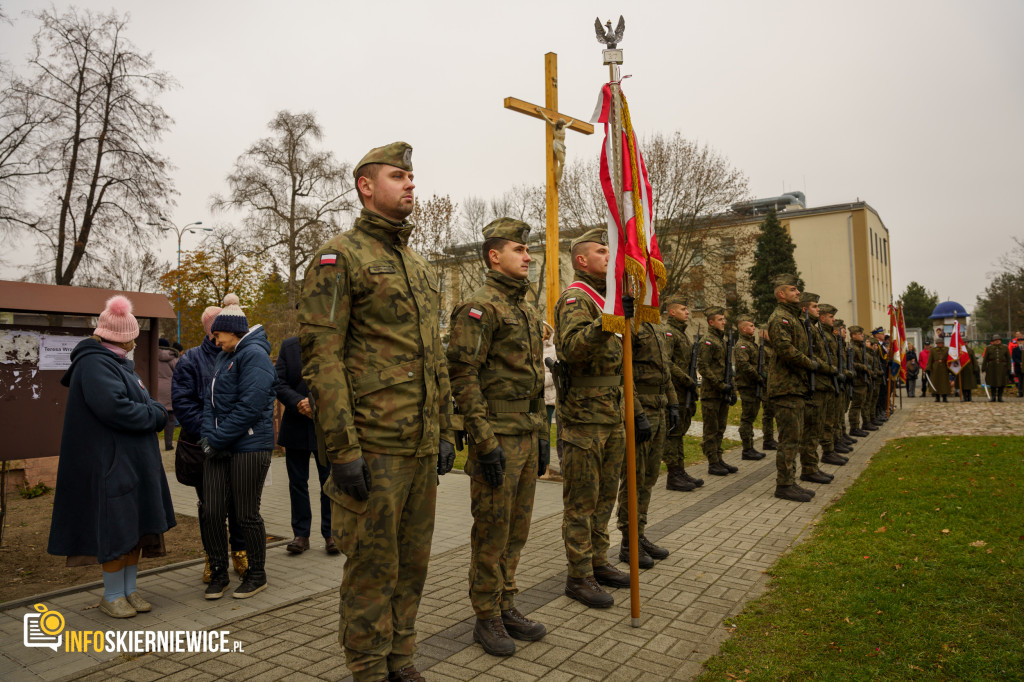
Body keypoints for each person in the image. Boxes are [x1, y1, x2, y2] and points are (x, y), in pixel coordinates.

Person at [298, 142, 456, 682]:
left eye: (413, 175)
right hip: (373, 448)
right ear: (366, 185)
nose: (411, 184)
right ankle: (367, 668)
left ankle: (402, 660)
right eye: (398, 175)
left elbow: (433, 355)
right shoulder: (339, 256)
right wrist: (342, 451)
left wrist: (443, 428)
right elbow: (323, 360)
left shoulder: (417, 264)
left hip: (417, 448)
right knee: (370, 570)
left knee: (412, 566)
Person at [446, 217, 547, 656]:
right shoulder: (478, 307)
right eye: (519, 251)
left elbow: (535, 377)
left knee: (517, 530)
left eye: (527, 251)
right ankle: (485, 616)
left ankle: (507, 602)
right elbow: (462, 375)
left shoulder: (525, 308)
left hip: (526, 432)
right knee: (491, 531)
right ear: (494, 255)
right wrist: (483, 442)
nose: (527, 257)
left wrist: (542, 433)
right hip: (498, 438)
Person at [48, 295, 175, 619]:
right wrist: (157, 414)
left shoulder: (116, 364)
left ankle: (130, 591)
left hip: (129, 464)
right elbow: (116, 409)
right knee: (117, 529)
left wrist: (152, 408)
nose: (136, 341)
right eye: (133, 335)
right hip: (111, 466)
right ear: (124, 337)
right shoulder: (94, 364)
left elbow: (140, 401)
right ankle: (113, 594)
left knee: (134, 528)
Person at [555, 227, 637, 610]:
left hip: (610, 414)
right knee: (581, 502)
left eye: (611, 250)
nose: (610, 256)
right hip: (583, 419)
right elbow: (572, 349)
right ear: (582, 260)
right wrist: (608, 320)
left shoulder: (605, 300)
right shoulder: (576, 299)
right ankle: (579, 575)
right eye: (603, 251)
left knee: (606, 496)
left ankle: (599, 561)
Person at [200, 296, 277, 599]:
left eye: (217, 335)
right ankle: (218, 573)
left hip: (250, 446)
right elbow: (211, 402)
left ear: (232, 331)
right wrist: (209, 435)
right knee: (211, 512)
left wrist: (216, 439)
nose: (214, 341)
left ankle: (257, 575)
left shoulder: (254, 355)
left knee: (246, 514)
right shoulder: (226, 355)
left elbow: (250, 406)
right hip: (221, 446)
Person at [172, 302, 248, 582]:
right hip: (205, 450)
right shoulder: (190, 359)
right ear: (212, 331)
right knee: (210, 507)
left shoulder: (243, 355)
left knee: (240, 504)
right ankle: (213, 558)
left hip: (239, 445)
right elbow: (183, 403)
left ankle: (240, 553)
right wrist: (212, 436)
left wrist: (232, 433)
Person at [616, 313, 678, 569]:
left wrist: (673, 402)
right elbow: (622, 369)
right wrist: (636, 410)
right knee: (634, 477)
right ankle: (628, 542)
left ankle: (639, 534)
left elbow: (665, 369)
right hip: (641, 408)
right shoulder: (629, 322)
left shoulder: (655, 324)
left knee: (650, 476)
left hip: (659, 406)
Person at [276, 335, 337, 556]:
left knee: (329, 482)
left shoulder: (333, 343)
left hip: (326, 425)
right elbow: (279, 383)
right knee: (297, 483)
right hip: (296, 424)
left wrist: (317, 403)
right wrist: (298, 402)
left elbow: (341, 381)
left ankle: (331, 534)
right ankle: (301, 535)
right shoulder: (289, 345)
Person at [765, 275, 818, 503]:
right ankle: (784, 485)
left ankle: (790, 480)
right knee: (789, 439)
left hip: (795, 386)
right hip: (785, 387)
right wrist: (811, 364)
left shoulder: (792, 318)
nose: (798, 293)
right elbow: (786, 350)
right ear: (781, 294)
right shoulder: (780, 319)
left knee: (794, 438)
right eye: (793, 290)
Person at [662, 296, 704, 490]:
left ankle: (680, 470)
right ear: (672, 312)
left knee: (679, 433)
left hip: (684, 390)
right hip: (675, 391)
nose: (687, 312)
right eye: (683, 309)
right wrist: (686, 379)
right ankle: (673, 475)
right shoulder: (669, 333)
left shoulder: (681, 334)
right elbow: (667, 362)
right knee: (673, 432)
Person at [796, 293, 838, 487]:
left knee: (817, 427)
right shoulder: (806, 328)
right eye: (814, 306)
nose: (818, 309)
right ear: (805, 309)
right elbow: (809, 356)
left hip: (823, 383)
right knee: (811, 430)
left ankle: (812, 466)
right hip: (816, 384)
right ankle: (809, 469)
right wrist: (829, 369)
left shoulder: (814, 328)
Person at [698, 306, 738, 477]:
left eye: (724, 319)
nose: (724, 322)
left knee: (720, 427)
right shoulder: (707, 341)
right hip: (711, 393)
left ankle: (718, 458)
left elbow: (728, 368)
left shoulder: (721, 341)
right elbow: (704, 367)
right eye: (720, 319)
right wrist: (720, 385)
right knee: (711, 429)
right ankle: (712, 462)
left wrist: (732, 389)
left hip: (722, 392)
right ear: (711, 322)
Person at [732, 315, 767, 462]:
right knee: (747, 419)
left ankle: (750, 447)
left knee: (751, 417)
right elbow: (744, 366)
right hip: (748, 386)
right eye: (751, 326)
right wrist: (758, 377)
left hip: (754, 386)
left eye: (754, 326)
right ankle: (747, 449)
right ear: (743, 328)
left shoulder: (752, 345)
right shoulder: (742, 345)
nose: (754, 328)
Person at [815, 304, 846, 467]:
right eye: (831, 317)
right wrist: (833, 370)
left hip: (832, 380)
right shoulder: (821, 335)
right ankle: (828, 451)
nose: (833, 320)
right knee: (826, 421)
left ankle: (832, 447)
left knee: (833, 418)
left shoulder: (829, 335)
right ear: (822, 318)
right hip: (825, 381)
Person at [157, 338, 179, 451]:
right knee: (170, 419)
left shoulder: (151, 354)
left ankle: (154, 443)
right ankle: (168, 444)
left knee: (154, 417)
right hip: (169, 390)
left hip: (154, 389)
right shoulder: (173, 358)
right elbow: (179, 372)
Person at [542, 321, 558, 471]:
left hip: (547, 399)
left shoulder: (553, 350)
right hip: (533, 398)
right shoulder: (531, 347)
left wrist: (539, 380)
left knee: (545, 433)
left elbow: (554, 373)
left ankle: (546, 468)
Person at [982, 334, 1011, 402]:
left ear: (1000, 340)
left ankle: (1000, 397)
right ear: (993, 341)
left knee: (1002, 382)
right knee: (993, 383)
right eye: (995, 340)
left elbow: (1008, 359)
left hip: (1002, 367)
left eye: (998, 340)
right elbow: (985, 359)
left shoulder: (1005, 347)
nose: (997, 341)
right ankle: (993, 397)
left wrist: (1009, 368)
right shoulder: (989, 348)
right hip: (992, 368)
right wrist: (983, 368)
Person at [926, 331, 951, 403]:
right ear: (936, 344)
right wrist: (928, 368)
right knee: (935, 382)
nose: (940, 344)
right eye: (939, 343)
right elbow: (930, 360)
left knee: (944, 383)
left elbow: (949, 359)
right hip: (935, 369)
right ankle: (937, 397)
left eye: (941, 343)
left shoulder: (947, 349)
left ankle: (944, 397)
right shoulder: (932, 350)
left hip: (944, 368)